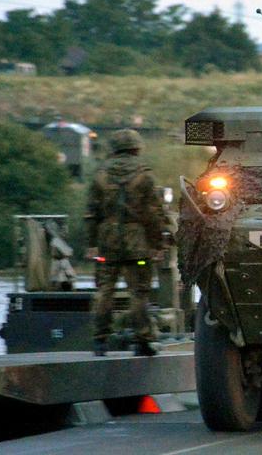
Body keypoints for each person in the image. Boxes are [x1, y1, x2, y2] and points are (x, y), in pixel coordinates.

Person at [86, 129, 167, 357]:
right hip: (137, 248)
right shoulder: (144, 176)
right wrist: (157, 244)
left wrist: (92, 244)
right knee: (139, 292)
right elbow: (153, 215)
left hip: (106, 246)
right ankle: (143, 340)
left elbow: (91, 213)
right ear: (136, 148)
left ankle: (100, 340)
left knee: (104, 290)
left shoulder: (100, 175)